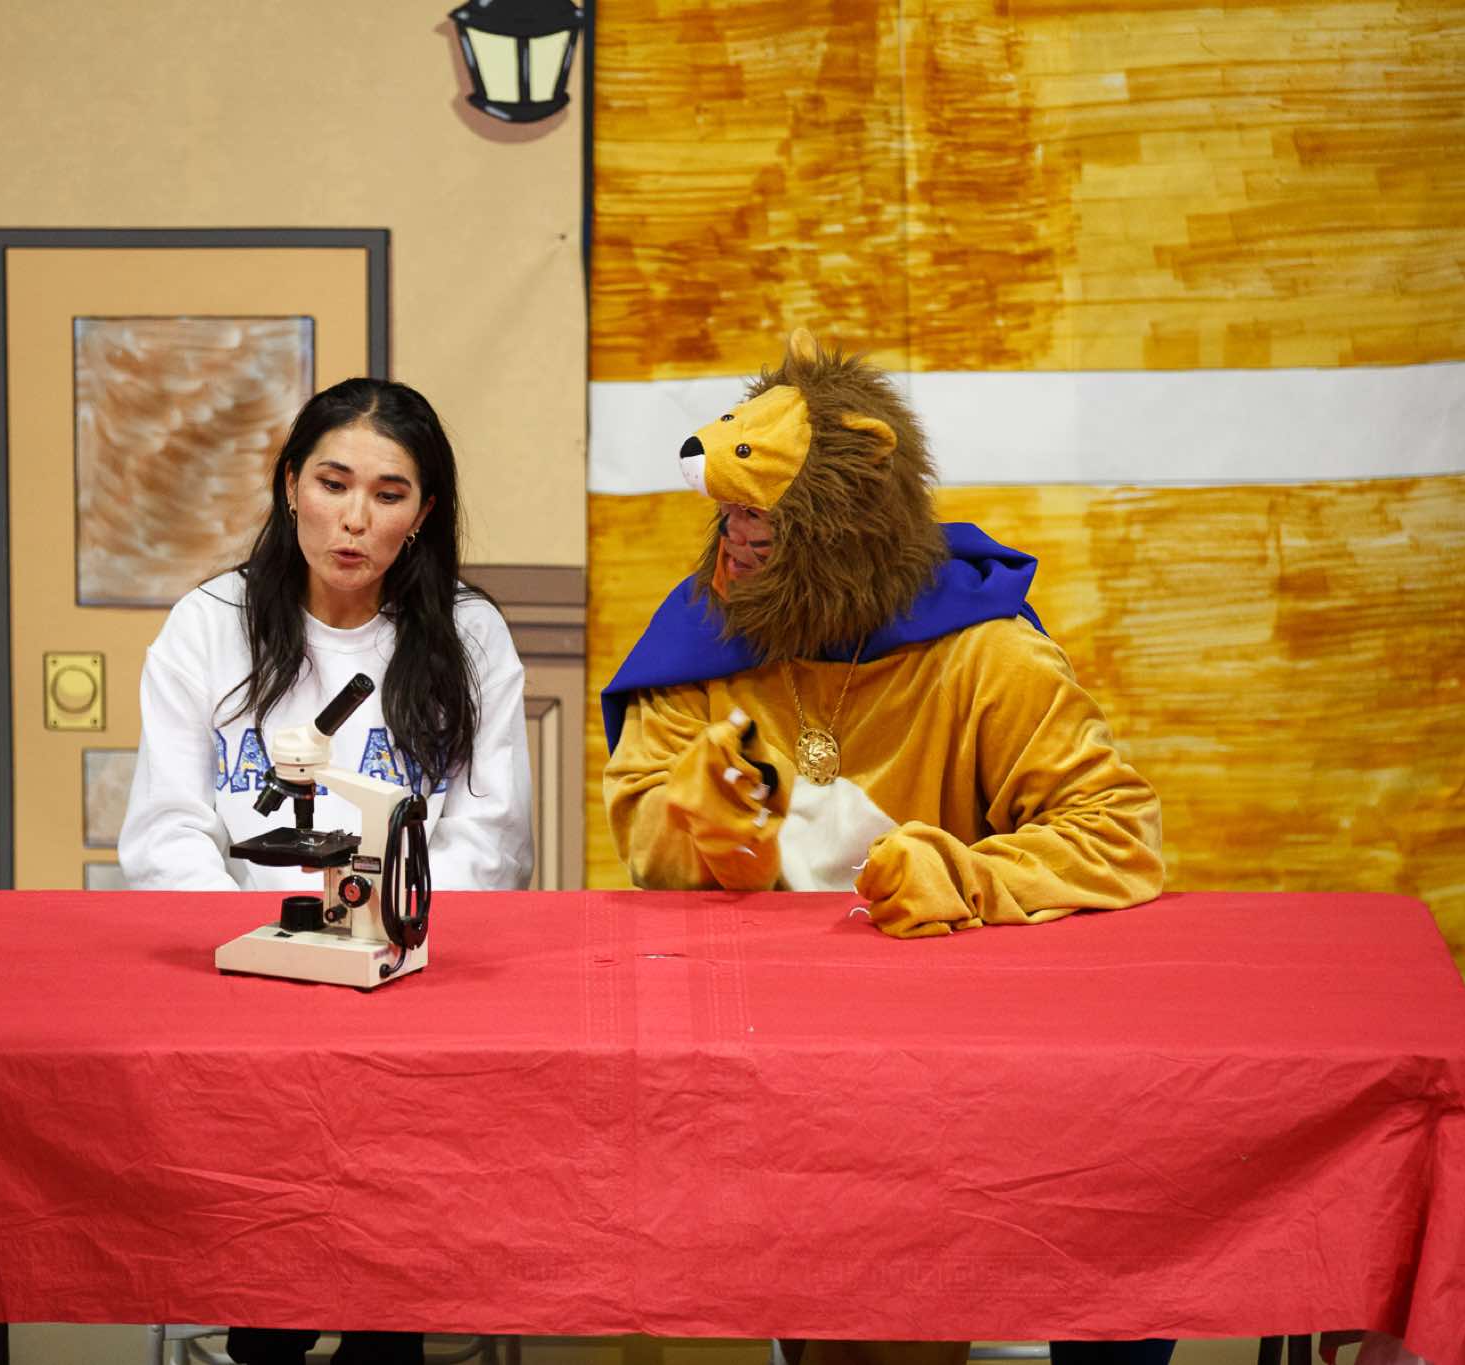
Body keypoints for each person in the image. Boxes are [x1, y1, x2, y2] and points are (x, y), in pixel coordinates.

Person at [600, 331, 1168, 1365]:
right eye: (728, 515)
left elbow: (1115, 830)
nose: (734, 542)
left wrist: (963, 874)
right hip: (758, 1050)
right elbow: (643, 830)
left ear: (842, 522)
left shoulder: (983, 651)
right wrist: (701, 820)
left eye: (762, 519)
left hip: (953, 1062)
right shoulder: (701, 636)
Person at [119, 376, 535, 1365]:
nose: (354, 519)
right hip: (247, 996)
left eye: (388, 494)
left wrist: (388, 948)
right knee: (269, 1271)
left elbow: (490, 837)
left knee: (389, 1271)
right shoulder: (208, 625)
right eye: (332, 483)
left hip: (409, 993)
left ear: (422, 513)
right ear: (290, 486)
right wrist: (257, 953)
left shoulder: (469, 634)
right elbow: (168, 829)